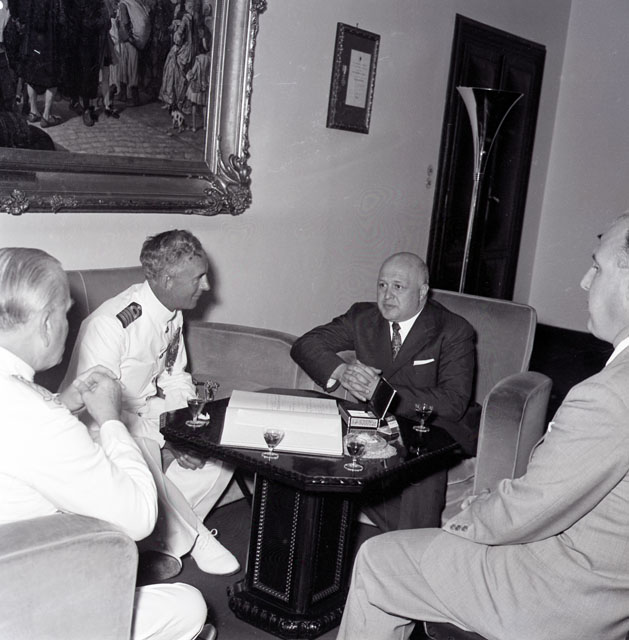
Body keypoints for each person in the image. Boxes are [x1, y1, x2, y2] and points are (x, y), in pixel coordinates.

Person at [337, 214, 629, 640]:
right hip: (611, 579)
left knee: (377, 560)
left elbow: (529, 510)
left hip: (563, 590)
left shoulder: (607, 395)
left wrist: (463, 518)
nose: (585, 282)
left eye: (597, 267)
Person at [0, 247, 213, 640]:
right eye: (65, 314)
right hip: (22, 587)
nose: (68, 324)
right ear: (46, 323)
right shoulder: (38, 416)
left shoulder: (19, 394)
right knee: (189, 606)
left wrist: (63, 404)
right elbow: (139, 517)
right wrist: (112, 420)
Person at [62, 229, 238, 576]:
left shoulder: (172, 312)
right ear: (168, 279)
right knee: (143, 451)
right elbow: (95, 405)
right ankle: (196, 538)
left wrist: (185, 430)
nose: (206, 287)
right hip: (98, 422)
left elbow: (174, 376)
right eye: (198, 278)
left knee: (216, 451)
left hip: (144, 409)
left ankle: (160, 544)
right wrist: (167, 442)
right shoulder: (111, 324)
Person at [291, 252, 478, 530]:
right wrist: (342, 371)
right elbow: (306, 344)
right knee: (315, 455)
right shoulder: (362, 317)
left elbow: (453, 402)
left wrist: (380, 391)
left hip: (433, 428)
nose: (387, 295)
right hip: (377, 423)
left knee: (423, 468)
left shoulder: (452, 329)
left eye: (398, 287)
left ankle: (413, 547)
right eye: (382, 285)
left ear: (422, 292)